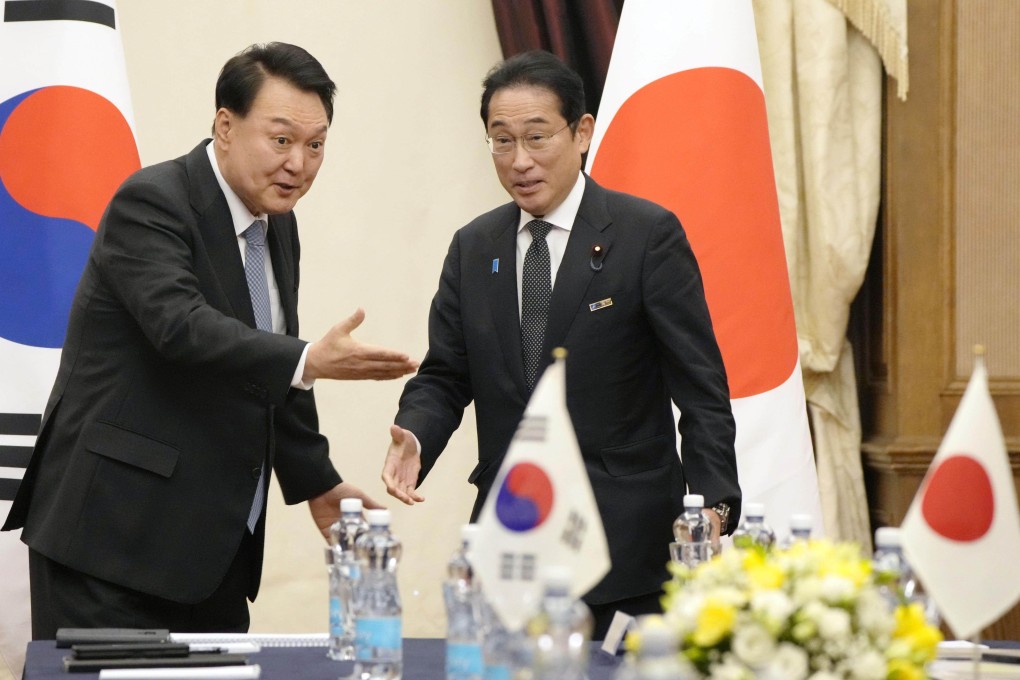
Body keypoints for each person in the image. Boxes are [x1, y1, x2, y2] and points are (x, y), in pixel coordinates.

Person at [1, 42, 418, 639]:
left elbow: (266, 360)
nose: (298, 163)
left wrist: (317, 481)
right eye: (281, 140)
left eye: (316, 144)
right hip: (110, 543)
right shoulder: (154, 200)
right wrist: (307, 359)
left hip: (211, 550)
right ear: (225, 125)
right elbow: (182, 328)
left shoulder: (277, 226)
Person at [382, 50, 741, 639]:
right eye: (501, 141)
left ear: (581, 133)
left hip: (626, 546)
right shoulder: (474, 247)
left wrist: (712, 508)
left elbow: (701, 389)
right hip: (513, 544)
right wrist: (416, 433)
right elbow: (447, 374)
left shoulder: (645, 235)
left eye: (537, 137)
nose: (519, 160)